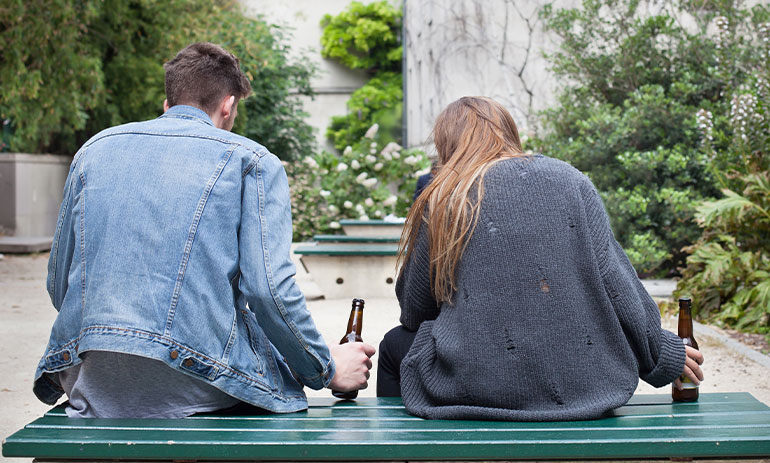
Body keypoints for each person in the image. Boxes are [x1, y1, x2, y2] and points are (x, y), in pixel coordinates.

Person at [34, 42, 375, 419]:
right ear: (228, 105)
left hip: (94, 382)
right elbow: (269, 292)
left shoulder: (93, 151)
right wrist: (327, 368)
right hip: (199, 387)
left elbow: (59, 286)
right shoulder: (252, 161)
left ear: (168, 105)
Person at [377, 96, 704, 421]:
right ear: (508, 132)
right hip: (584, 388)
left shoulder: (444, 196)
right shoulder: (570, 179)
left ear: (446, 144)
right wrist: (661, 355)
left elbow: (415, 311)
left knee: (394, 344)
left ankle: (402, 452)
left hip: (477, 385)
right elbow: (617, 285)